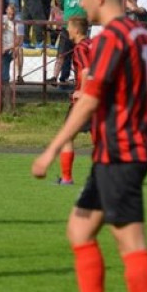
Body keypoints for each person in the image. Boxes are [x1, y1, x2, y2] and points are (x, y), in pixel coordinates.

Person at [32, 0, 147, 292]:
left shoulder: (111, 38)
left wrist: (50, 150)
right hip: (120, 152)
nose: (80, 4)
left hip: (121, 152)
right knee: (79, 230)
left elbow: (89, 100)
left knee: (131, 243)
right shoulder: (141, 35)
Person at [55, 16, 93, 186]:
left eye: (69, 27)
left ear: (76, 30)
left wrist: (82, 92)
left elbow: (86, 70)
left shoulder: (80, 48)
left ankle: (66, 178)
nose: (67, 31)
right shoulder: (92, 45)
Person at [0, 2, 24, 85]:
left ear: (15, 13)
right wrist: (2, 29)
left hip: (12, 47)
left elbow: (20, 40)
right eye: (9, 13)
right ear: (6, 11)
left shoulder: (19, 22)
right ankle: (2, 78)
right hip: (2, 46)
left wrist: (8, 48)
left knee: (19, 50)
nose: (11, 16)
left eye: (13, 14)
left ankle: (18, 76)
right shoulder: (1, 19)